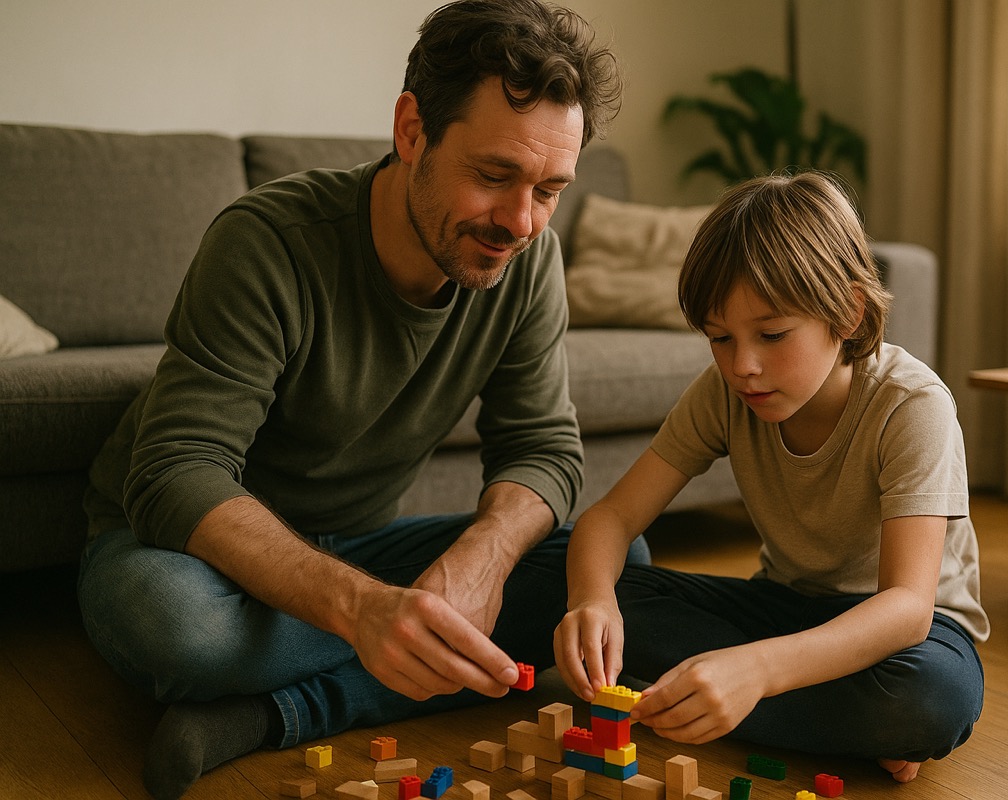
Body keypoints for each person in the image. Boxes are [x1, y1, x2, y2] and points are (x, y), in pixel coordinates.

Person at [76, 2, 636, 798]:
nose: (520, 221)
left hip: (358, 550)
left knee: (609, 569)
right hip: (182, 553)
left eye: (549, 189)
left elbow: (543, 449)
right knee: (182, 628)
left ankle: (270, 714)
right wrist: (360, 609)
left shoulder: (525, 259)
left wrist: (481, 561)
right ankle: (369, 657)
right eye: (493, 174)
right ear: (412, 130)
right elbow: (176, 470)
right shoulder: (268, 243)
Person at [554, 172, 989, 784]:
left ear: (847, 313)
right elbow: (610, 518)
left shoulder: (911, 405)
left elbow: (906, 609)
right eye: (720, 339)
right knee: (596, 589)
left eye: (772, 335)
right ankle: (828, 726)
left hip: (908, 638)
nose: (743, 366)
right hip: (787, 609)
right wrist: (592, 601)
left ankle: (706, 695)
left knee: (928, 702)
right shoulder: (723, 394)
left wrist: (755, 671)